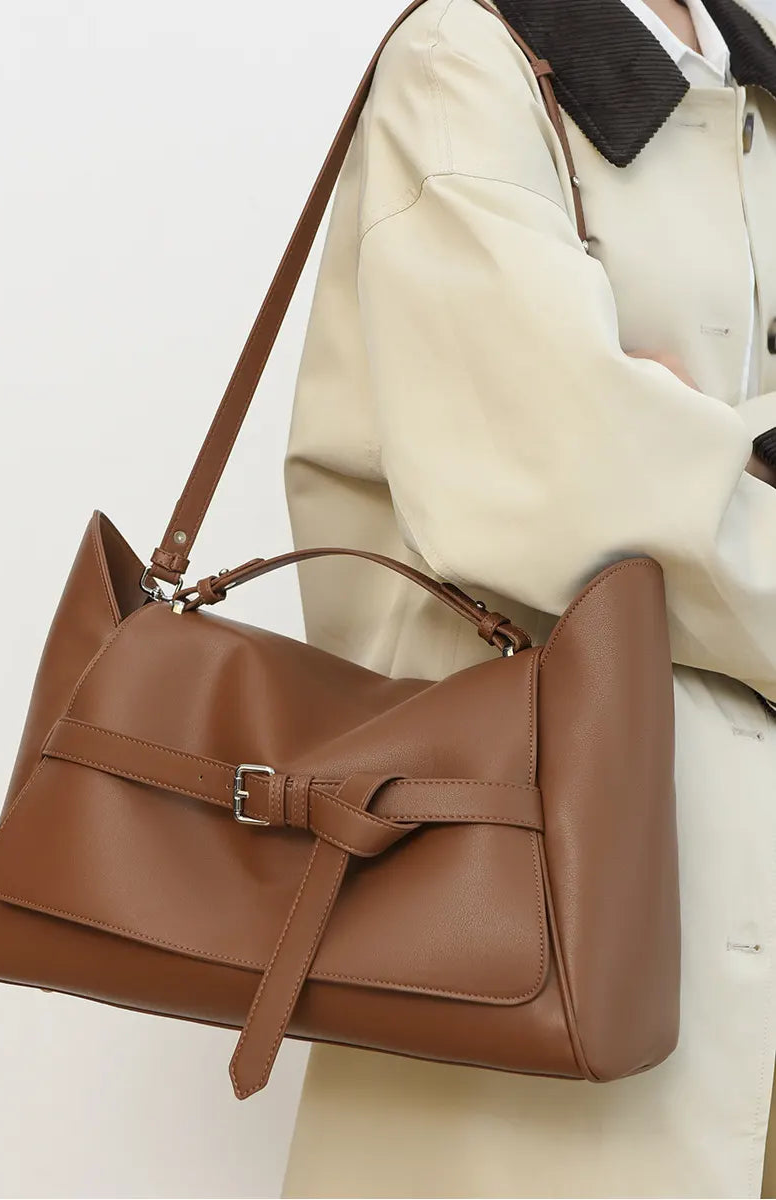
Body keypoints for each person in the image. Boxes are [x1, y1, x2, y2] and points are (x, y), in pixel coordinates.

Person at [281, 0, 776, 1195]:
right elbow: (559, 482)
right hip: (549, 898)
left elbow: (634, 476)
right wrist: (660, 452)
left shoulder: (752, 89)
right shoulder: (468, 60)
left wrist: (684, 435)